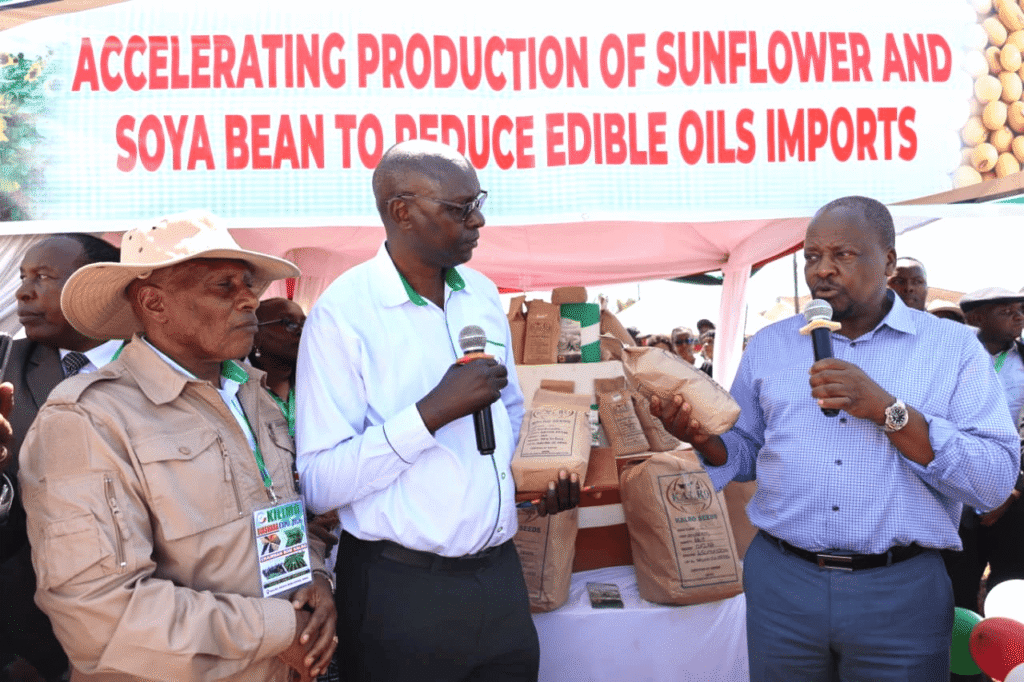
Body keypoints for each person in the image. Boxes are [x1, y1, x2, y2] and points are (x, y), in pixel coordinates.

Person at [651, 196, 1018, 681]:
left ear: (888, 262)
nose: (822, 270)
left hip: (899, 591)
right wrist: (703, 439)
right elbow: (745, 452)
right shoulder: (770, 346)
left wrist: (889, 412)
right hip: (783, 585)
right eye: (812, 256)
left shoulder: (952, 349)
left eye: (843, 254)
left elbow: (992, 480)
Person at [296, 139, 579, 682]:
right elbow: (319, 482)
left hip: (499, 579)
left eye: (478, 201)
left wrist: (523, 488)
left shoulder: (482, 294)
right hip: (401, 592)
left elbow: (508, 412)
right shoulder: (343, 314)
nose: (479, 219)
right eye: (460, 208)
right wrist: (430, 413)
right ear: (401, 211)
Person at [19, 212, 336, 681]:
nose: (250, 299)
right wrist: (278, 629)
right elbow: (97, 612)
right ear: (154, 302)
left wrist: (313, 578)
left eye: (249, 284)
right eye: (224, 286)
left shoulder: (254, 397)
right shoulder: (87, 418)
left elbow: (277, 518)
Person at [1, 234, 121, 682]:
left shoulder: (165, 368)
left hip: (151, 632)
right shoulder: (5, 364)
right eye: (22, 277)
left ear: (99, 287)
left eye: (44, 277)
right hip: (31, 641)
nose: (23, 292)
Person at [950, 288, 1024, 604]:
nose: (1018, 316)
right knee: (957, 585)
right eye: (1006, 311)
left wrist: (1015, 489)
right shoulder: (951, 360)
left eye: (1020, 310)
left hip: (1013, 496)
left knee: (1010, 587)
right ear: (976, 318)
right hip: (956, 491)